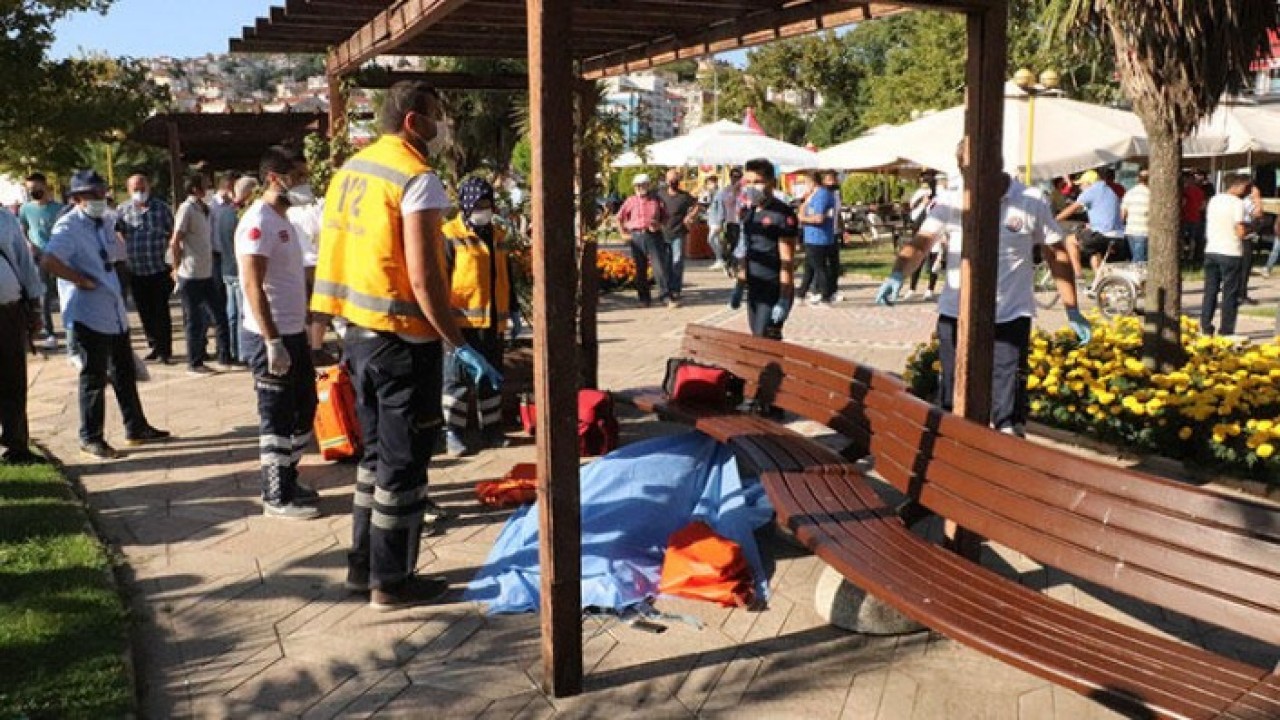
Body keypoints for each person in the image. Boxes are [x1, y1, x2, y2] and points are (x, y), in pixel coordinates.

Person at [310, 80, 503, 610]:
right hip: (402, 343)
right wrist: (457, 341)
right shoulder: (417, 179)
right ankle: (392, 582)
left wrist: (320, 331)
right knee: (404, 467)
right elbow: (424, 279)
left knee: (374, 462)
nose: (444, 128)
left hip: (359, 338)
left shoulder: (351, 172)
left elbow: (336, 259)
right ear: (415, 121)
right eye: (439, 116)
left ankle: (363, 566)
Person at [875, 166, 1089, 437]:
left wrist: (1072, 308)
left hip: (1010, 314)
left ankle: (1005, 459)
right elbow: (922, 243)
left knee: (1008, 408)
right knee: (953, 395)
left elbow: (1055, 253)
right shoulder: (953, 200)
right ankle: (953, 456)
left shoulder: (1030, 200)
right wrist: (898, 274)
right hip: (957, 312)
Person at [40, 170, 169, 460]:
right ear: (76, 199)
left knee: (124, 372)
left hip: (113, 310)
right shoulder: (68, 226)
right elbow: (49, 260)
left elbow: (114, 254)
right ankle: (91, 436)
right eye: (93, 195)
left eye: (102, 193)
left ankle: (136, 426)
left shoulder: (105, 220)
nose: (100, 199)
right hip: (88, 313)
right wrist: (79, 280)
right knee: (94, 377)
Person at [236, 147, 320, 520]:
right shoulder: (258, 221)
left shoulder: (284, 220)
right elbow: (253, 285)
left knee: (305, 410)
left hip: (293, 331)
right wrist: (272, 342)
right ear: (275, 178)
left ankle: (288, 475)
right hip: (269, 337)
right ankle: (275, 495)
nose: (303, 184)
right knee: (275, 416)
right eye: (297, 177)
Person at [441, 178, 516, 458]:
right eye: (479, 205)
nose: (484, 210)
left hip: (493, 322)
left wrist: (514, 310)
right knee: (457, 381)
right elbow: (442, 279)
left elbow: (504, 275)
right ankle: (454, 433)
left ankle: (493, 430)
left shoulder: (497, 236)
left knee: (491, 379)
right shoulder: (449, 235)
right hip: (461, 323)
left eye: (488, 204)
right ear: (466, 205)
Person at [727, 158, 798, 340]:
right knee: (758, 339)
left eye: (758, 182)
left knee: (763, 338)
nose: (752, 187)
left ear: (771, 183)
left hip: (773, 287)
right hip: (754, 287)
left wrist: (783, 298)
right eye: (748, 182)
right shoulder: (748, 213)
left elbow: (787, 261)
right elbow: (744, 251)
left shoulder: (782, 215)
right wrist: (739, 286)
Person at [172, 173, 233, 375]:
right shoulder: (186, 208)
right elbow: (176, 240)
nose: (208, 190)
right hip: (190, 273)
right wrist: (175, 266)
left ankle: (224, 356)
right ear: (195, 189)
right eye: (205, 186)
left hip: (207, 272)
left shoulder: (204, 209)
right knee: (195, 320)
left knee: (220, 315)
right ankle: (194, 362)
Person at [0, 206, 46, 464]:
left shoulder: (6, 218)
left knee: (13, 378)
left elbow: (25, 263)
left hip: (10, 309)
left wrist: (35, 308)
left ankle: (17, 444)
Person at [118, 174, 175, 364]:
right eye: (135, 189)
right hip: (136, 270)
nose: (139, 192)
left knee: (161, 311)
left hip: (158, 269)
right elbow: (118, 234)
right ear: (128, 190)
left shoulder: (161, 209)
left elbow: (173, 233)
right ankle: (154, 346)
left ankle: (165, 350)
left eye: (142, 188)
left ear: (149, 187)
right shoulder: (123, 210)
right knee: (144, 311)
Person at [1200, 174, 1251, 337]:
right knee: (1230, 292)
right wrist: (1250, 230)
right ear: (1239, 186)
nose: (1248, 191)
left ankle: (1206, 325)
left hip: (1212, 249)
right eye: (1247, 187)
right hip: (1230, 251)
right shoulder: (1238, 203)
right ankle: (1226, 329)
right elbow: (1240, 230)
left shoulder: (1214, 200)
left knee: (1210, 290)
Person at [18, 173, 64, 350]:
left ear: (45, 187)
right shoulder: (25, 209)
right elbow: (23, 229)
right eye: (30, 190)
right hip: (38, 258)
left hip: (59, 256)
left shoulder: (59, 208)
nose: (33, 192)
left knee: (64, 293)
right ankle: (50, 333)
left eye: (36, 188)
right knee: (43, 296)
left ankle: (74, 329)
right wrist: (30, 244)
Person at [1059, 170, 1124, 289]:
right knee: (1094, 251)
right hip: (1118, 235)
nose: (1080, 187)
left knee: (1070, 240)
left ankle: (1078, 276)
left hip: (1102, 233)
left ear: (1088, 183)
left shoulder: (1091, 191)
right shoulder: (1110, 191)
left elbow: (1072, 208)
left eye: (1081, 184)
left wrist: (1054, 219)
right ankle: (1099, 285)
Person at [614, 173, 668, 308]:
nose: (640, 188)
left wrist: (659, 225)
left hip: (653, 235)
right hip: (636, 235)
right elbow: (618, 218)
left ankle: (665, 296)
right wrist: (623, 234)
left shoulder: (656, 200)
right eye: (637, 185)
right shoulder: (630, 201)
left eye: (643, 185)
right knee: (640, 268)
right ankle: (644, 299)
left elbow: (666, 217)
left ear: (648, 185)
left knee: (658, 267)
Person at [212, 174, 249, 364]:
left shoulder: (223, 212)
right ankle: (244, 353)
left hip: (226, 266)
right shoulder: (241, 215)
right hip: (239, 268)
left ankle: (232, 349)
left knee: (231, 313)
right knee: (243, 313)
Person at [796, 172, 839, 306]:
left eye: (806, 183)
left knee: (820, 268)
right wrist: (804, 208)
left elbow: (819, 218)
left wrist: (803, 218)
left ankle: (825, 296)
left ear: (812, 183)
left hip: (819, 238)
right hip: (811, 236)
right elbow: (802, 211)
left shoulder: (822, 195)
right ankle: (801, 294)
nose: (804, 186)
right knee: (808, 267)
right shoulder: (812, 196)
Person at [660, 169, 697, 305]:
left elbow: (696, 205)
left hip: (678, 232)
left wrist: (690, 216)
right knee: (666, 262)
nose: (673, 183)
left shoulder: (684, 196)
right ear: (666, 180)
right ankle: (667, 288)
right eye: (670, 180)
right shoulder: (660, 194)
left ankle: (675, 288)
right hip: (662, 233)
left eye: (675, 180)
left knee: (677, 261)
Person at [1238, 183, 1264, 306]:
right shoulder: (1247, 202)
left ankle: (1240, 293)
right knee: (1244, 267)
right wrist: (1258, 200)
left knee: (1243, 267)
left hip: (1243, 235)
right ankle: (1241, 294)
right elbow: (1258, 214)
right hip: (1245, 236)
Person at [717, 168, 744, 277]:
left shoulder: (744, 190)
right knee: (732, 245)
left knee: (740, 246)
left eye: (738, 177)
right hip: (731, 221)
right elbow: (728, 203)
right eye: (734, 176)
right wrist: (734, 190)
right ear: (731, 177)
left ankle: (736, 266)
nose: (736, 179)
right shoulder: (726, 190)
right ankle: (728, 264)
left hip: (742, 222)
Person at [1121, 169, 1151, 262]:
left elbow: (1123, 214)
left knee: (1135, 257)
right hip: (1144, 230)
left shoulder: (1130, 192)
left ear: (1138, 179)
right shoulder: (1151, 193)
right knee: (1140, 261)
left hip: (1130, 230)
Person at [1181, 171, 1207, 263]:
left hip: (1185, 217)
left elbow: (1182, 203)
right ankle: (1191, 256)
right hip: (1196, 217)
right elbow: (1203, 206)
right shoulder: (1200, 191)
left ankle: (1182, 255)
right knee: (1193, 238)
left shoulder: (1184, 190)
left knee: (1182, 238)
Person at [703, 175, 727, 272]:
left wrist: (721, 223)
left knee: (711, 239)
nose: (709, 186)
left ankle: (721, 259)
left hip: (716, 222)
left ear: (716, 183)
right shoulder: (711, 194)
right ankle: (720, 260)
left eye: (711, 183)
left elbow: (721, 209)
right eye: (708, 184)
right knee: (715, 241)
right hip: (711, 220)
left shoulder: (719, 194)